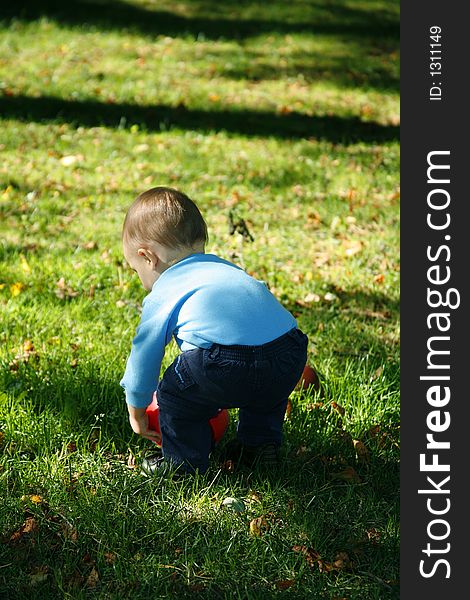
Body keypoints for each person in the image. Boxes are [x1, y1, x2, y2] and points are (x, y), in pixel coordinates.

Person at [120, 186, 308, 475]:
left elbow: (145, 353)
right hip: (288, 353)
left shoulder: (166, 287)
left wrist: (137, 406)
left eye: (136, 270)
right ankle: (259, 447)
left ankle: (182, 463)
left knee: (173, 393)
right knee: (266, 394)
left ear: (148, 257)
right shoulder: (227, 269)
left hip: (225, 365)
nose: (141, 279)